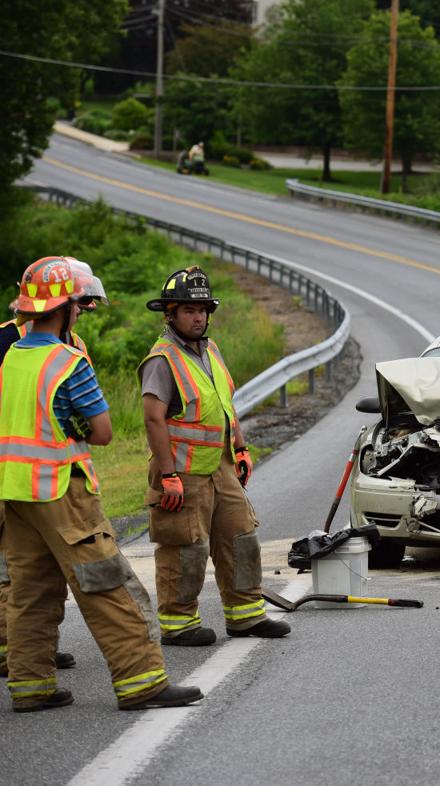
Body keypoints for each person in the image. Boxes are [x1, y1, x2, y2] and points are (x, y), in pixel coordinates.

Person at [0, 256, 203, 711]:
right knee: (107, 583)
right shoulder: (68, 361)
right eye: (81, 305)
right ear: (67, 307)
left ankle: (31, 688)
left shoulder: (11, 355)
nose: (83, 312)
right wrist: (72, 426)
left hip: (15, 492)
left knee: (29, 592)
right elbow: (103, 432)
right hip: (61, 490)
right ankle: (142, 682)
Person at [139, 267, 290, 646]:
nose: (199, 317)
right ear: (170, 314)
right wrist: (168, 475)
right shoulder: (162, 360)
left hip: (220, 466)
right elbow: (153, 419)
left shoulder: (211, 351)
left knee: (241, 537)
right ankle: (178, 624)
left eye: (203, 309)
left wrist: (240, 447)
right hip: (182, 471)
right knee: (186, 549)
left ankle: (246, 615)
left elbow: (225, 405)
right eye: (189, 310)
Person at [0, 259, 106, 678]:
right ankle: (11, 653)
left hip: (48, 474)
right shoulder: (6, 341)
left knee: (39, 570)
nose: (82, 311)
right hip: (12, 472)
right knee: (13, 571)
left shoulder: (73, 347)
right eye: (78, 303)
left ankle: (34, 655)